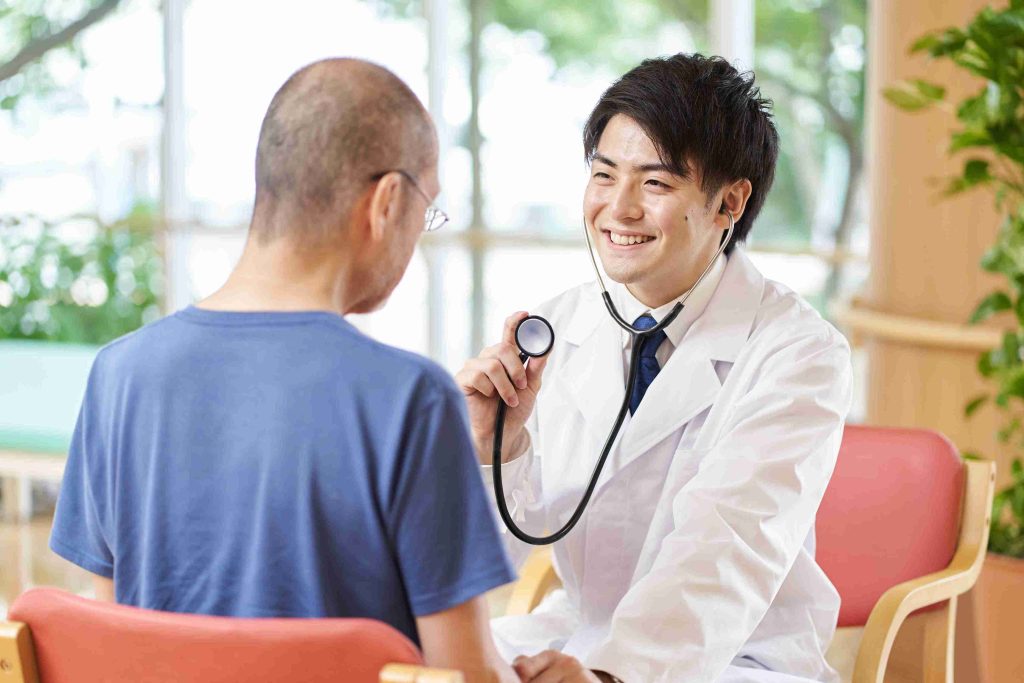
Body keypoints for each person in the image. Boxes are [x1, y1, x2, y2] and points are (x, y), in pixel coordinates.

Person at [50, 58, 519, 683]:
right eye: (425, 212)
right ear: (387, 202)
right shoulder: (411, 399)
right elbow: (464, 676)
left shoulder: (118, 376)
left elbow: (108, 640)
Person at [457, 54, 852, 683]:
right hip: (576, 630)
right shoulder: (559, 325)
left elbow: (726, 547)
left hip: (733, 659)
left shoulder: (798, 353)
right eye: (603, 175)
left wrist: (614, 676)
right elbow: (500, 547)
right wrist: (492, 447)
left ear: (730, 202)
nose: (619, 208)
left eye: (656, 184)